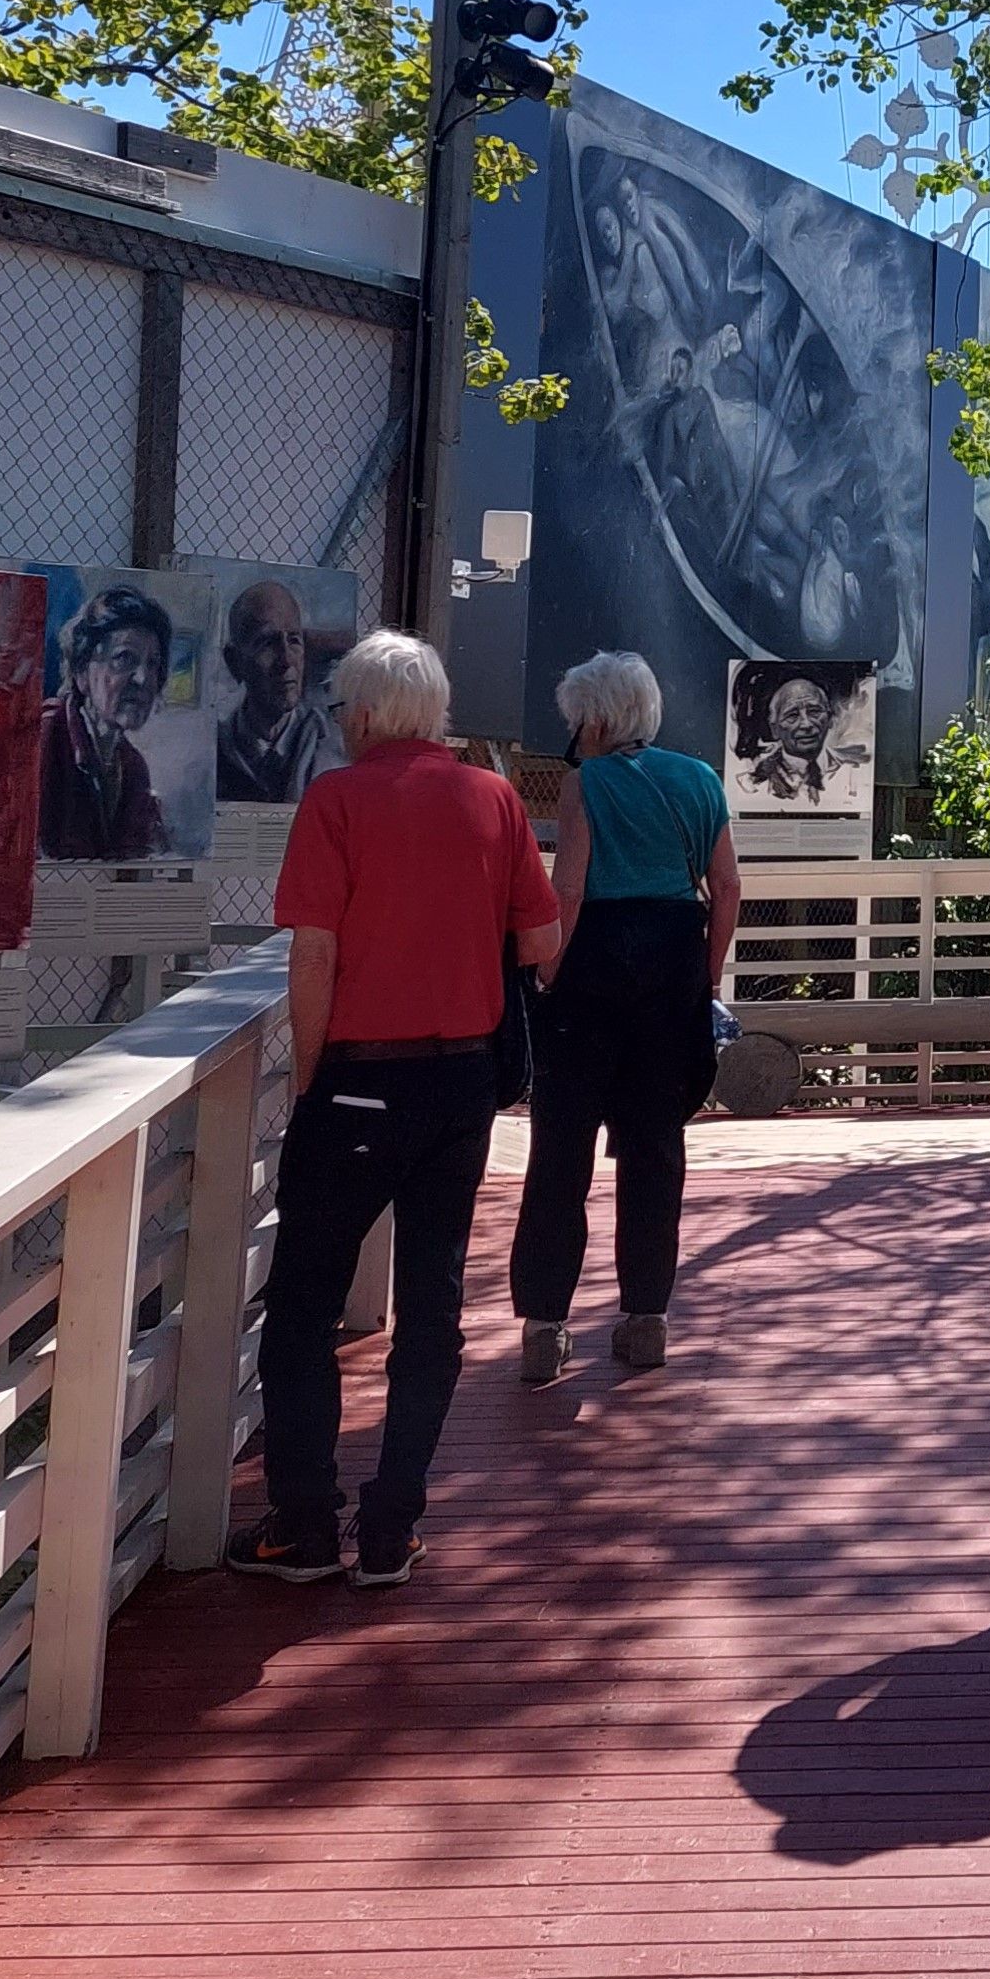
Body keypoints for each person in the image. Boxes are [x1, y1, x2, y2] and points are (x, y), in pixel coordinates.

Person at [234, 631, 562, 1589]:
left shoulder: (336, 800)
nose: (339, 723)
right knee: (433, 1304)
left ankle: (303, 1523)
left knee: (301, 1305)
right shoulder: (494, 798)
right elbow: (540, 937)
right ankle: (393, 1525)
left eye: (343, 708)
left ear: (368, 713)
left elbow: (314, 955)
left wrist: (306, 1081)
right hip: (461, 1086)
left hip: (358, 1081)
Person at [510, 651, 741, 1387]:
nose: (574, 735)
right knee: (654, 1151)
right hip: (673, 968)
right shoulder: (700, 779)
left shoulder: (586, 785)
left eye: (578, 720)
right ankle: (646, 1317)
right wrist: (705, 972)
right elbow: (728, 886)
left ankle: (546, 1325)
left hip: (592, 972)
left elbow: (568, 886)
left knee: (560, 1153)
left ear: (600, 719)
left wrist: (545, 970)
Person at [36, 581, 173, 860]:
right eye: (124, 659)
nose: (143, 679)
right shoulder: (43, 740)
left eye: (152, 664)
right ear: (81, 670)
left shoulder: (133, 767)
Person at [215, 579, 343, 805]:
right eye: (266, 643)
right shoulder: (215, 751)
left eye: (294, 640)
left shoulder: (330, 745)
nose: (286, 660)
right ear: (234, 662)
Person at [741, 668, 870, 808]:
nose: (806, 724)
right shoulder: (750, 784)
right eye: (792, 715)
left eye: (814, 712)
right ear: (774, 728)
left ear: (830, 719)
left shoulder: (856, 772)